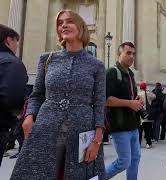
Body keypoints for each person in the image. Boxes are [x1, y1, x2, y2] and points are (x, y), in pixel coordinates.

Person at [10, 9, 106, 179]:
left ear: (81, 27)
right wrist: (29, 116)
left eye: (69, 21)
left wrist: (97, 140)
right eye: (60, 23)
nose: (64, 25)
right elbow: (37, 95)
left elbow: (99, 103)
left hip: (81, 131)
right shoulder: (47, 59)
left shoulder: (96, 65)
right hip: (45, 128)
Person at [105, 42, 142, 180]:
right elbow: (106, 99)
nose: (131, 56)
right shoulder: (112, 72)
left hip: (133, 125)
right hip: (120, 126)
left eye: (133, 53)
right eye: (128, 53)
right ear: (119, 54)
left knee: (135, 158)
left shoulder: (130, 74)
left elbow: (129, 98)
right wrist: (129, 103)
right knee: (123, 162)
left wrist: (136, 100)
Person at [0, 24, 28, 166]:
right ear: (8, 40)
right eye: (16, 42)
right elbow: (13, 97)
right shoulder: (12, 63)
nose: (17, 46)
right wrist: (17, 115)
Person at [138, 82, 156, 149]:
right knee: (148, 130)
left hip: (140, 115)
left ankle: (138, 143)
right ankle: (148, 143)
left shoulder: (138, 93)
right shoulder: (148, 93)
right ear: (145, 87)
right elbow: (154, 96)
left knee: (140, 130)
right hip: (148, 114)